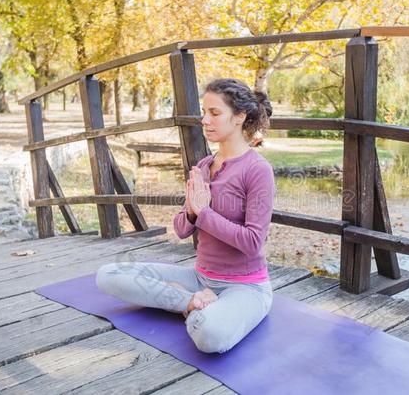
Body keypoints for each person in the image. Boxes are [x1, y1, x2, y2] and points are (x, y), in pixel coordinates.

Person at [95, 78, 276, 354]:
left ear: (240, 117)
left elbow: (253, 242)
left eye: (215, 113)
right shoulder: (204, 165)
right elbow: (181, 229)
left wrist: (203, 213)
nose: (205, 120)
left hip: (246, 287)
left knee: (210, 335)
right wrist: (192, 211)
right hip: (199, 279)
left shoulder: (257, 170)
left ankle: (190, 305)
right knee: (108, 275)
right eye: (204, 112)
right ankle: (192, 301)